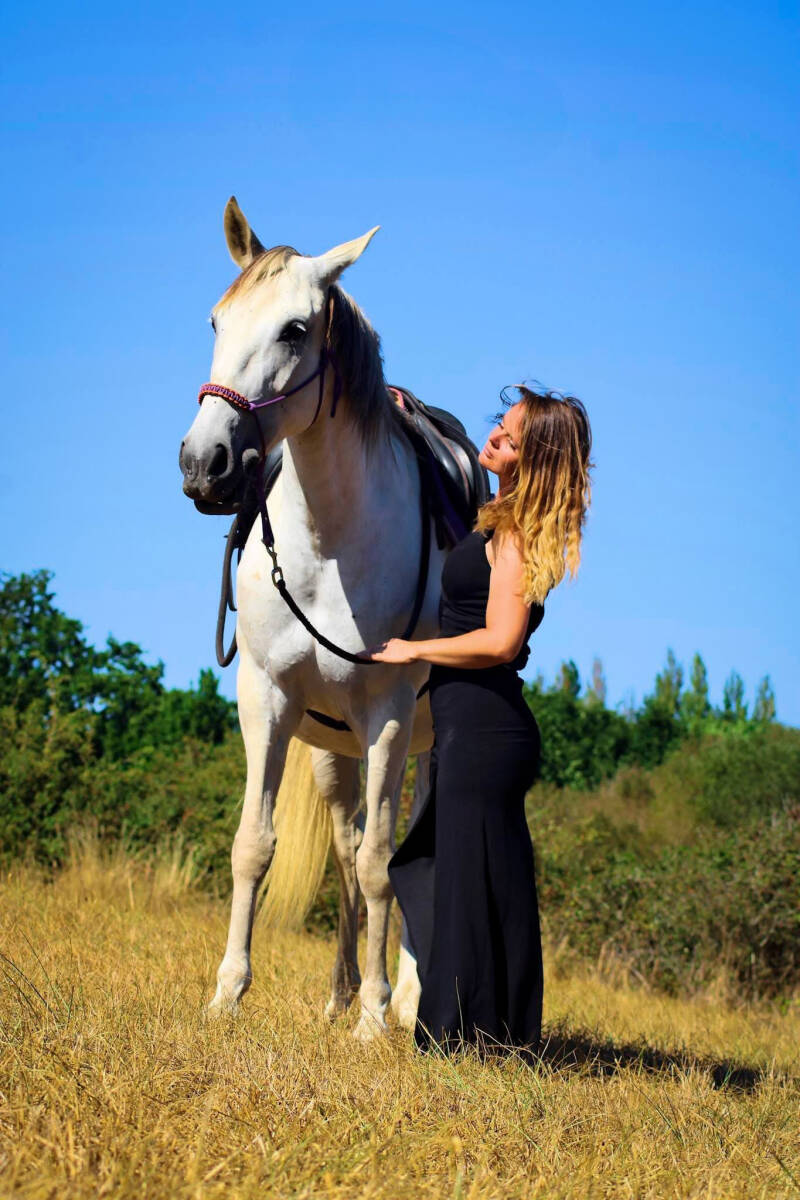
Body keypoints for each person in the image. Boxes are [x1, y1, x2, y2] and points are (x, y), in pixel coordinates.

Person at [360, 384, 593, 1057]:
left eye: (511, 436)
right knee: (459, 874)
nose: (494, 435)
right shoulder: (497, 522)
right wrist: (405, 420)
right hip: (472, 726)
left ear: (533, 459)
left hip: (486, 730)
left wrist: (416, 649)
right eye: (500, 423)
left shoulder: (516, 534)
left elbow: (501, 641)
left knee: (459, 877)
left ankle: (468, 1039)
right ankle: (490, 1034)